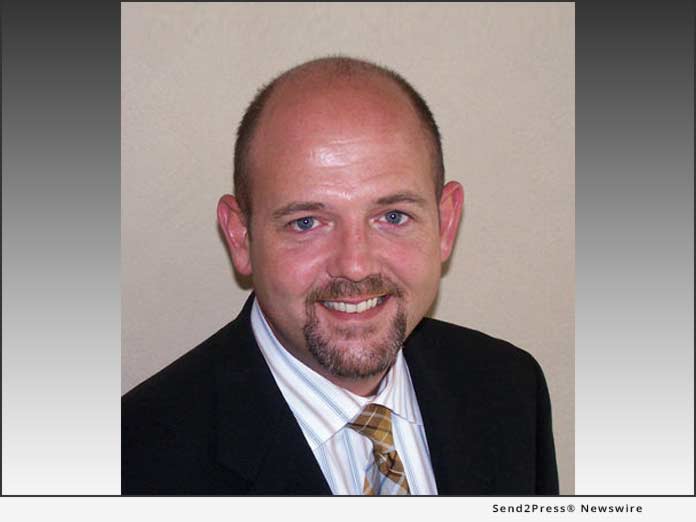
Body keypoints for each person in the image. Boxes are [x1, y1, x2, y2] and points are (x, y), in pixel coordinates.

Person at [121, 56, 559, 495]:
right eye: (306, 222)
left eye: (393, 216)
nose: (355, 265)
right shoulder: (131, 465)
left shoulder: (510, 389)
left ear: (445, 224)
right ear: (240, 236)